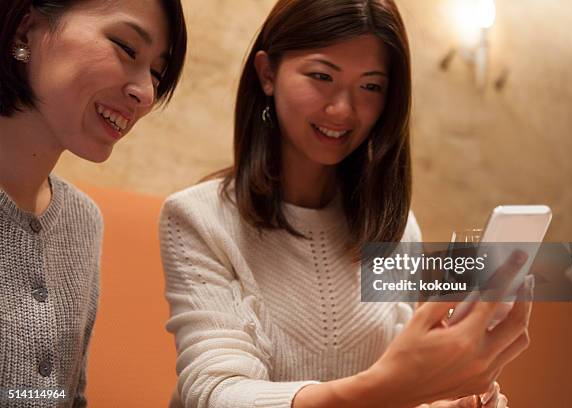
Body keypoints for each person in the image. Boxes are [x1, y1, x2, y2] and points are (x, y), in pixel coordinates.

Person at [159, 1, 532, 407]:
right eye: (322, 76)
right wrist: (391, 386)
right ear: (267, 73)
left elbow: (399, 387)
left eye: (370, 87)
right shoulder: (197, 219)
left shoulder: (394, 228)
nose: (343, 110)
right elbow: (216, 393)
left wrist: (448, 396)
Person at [0, 0, 186, 406]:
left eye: (157, 72)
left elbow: (62, 397)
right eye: (125, 46)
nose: (146, 92)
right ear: (24, 29)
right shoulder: (204, 216)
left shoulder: (81, 221)